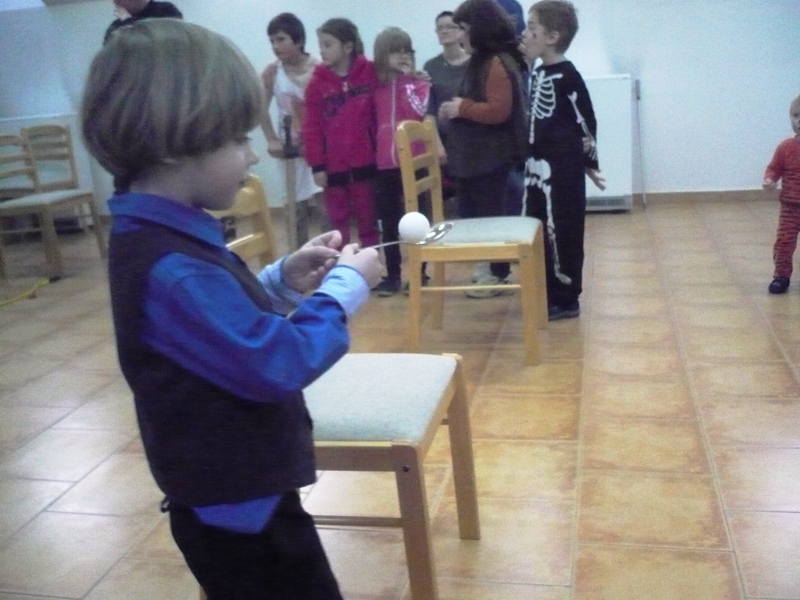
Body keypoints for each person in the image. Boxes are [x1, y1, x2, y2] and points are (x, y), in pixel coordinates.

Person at [81, 19, 383, 599]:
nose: (252, 154)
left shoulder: (162, 234)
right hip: (243, 517)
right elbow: (276, 360)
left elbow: (215, 329)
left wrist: (279, 283)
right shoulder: (172, 266)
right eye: (238, 139)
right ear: (173, 146)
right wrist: (344, 289)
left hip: (243, 498)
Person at [438, 0, 528, 298]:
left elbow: (499, 111)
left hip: (490, 160)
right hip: (476, 160)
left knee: (491, 218)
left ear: (480, 29)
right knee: (478, 217)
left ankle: (496, 274)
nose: (458, 36)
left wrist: (461, 108)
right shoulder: (483, 60)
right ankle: (487, 269)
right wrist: (456, 108)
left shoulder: (496, 62)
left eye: (462, 29)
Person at [522, 0, 605, 321]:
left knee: (564, 228)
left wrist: (590, 163)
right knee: (538, 225)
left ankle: (567, 297)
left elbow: (587, 120)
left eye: (531, 27)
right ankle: (547, 289)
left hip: (562, 169)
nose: (525, 33)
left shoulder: (568, 76)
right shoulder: (539, 71)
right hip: (536, 166)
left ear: (552, 36)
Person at [303, 18, 380, 250]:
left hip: (366, 162)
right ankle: (339, 264)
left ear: (347, 47)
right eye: (320, 45)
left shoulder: (371, 72)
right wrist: (317, 166)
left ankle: (371, 260)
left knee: (369, 219)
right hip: (332, 167)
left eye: (328, 45)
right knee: (337, 224)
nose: (322, 51)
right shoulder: (316, 84)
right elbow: (311, 127)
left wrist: (415, 75)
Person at [372, 27, 431, 296]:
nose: (402, 56)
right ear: (382, 56)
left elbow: (418, 112)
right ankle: (393, 274)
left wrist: (408, 82)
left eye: (407, 51)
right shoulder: (377, 87)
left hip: (415, 161)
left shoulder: (419, 84)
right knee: (389, 221)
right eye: (395, 51)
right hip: (385, 163)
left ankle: (420, 273)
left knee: (418, 220)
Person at [260, 13, 325, 248]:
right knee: (295, 209)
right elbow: (260, 107)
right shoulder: (273, 73)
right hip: (291, 150)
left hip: (320, 148)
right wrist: (271, 139)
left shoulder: (320, 67)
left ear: (298, 40)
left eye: (281, 39)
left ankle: (333, 255)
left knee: (326, 205)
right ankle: (299, 257)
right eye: (272, 41)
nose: (275, 46)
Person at [423, 11, 470, 217]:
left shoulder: (475, 63)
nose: (444, 31)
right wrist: (437, 145)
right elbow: (429, 111)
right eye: (440, 28)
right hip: (443, 139)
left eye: (449, 26)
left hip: (471, 139)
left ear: (461, 30)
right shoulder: (431, 67)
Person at [764, 93, 800, 294]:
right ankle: (781, 276)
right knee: (784, 242)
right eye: (796, 115)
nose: (799, 121)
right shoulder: (785, 147)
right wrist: (770, 179)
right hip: (790, 208)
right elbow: (774, 168)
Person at [103, 0, 181, 44]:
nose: (115, 4)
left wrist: (127, 21)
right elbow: (108, 54)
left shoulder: (166, 10)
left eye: (118, 1)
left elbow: (171, 40)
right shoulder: (116, 25)